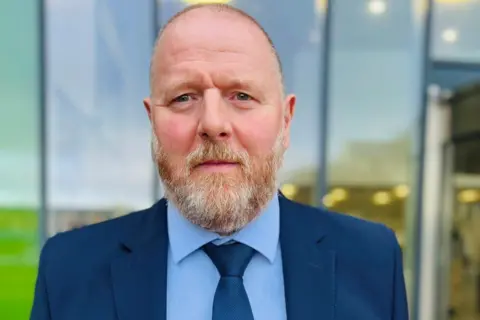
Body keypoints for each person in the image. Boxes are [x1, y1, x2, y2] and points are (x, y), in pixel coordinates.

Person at [30, 4, 408, 320]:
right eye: (183, 98)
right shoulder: (69, 270)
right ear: (152, 121)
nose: (212, 124)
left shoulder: (371, 260)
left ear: (286, 120)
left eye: (241, 95)